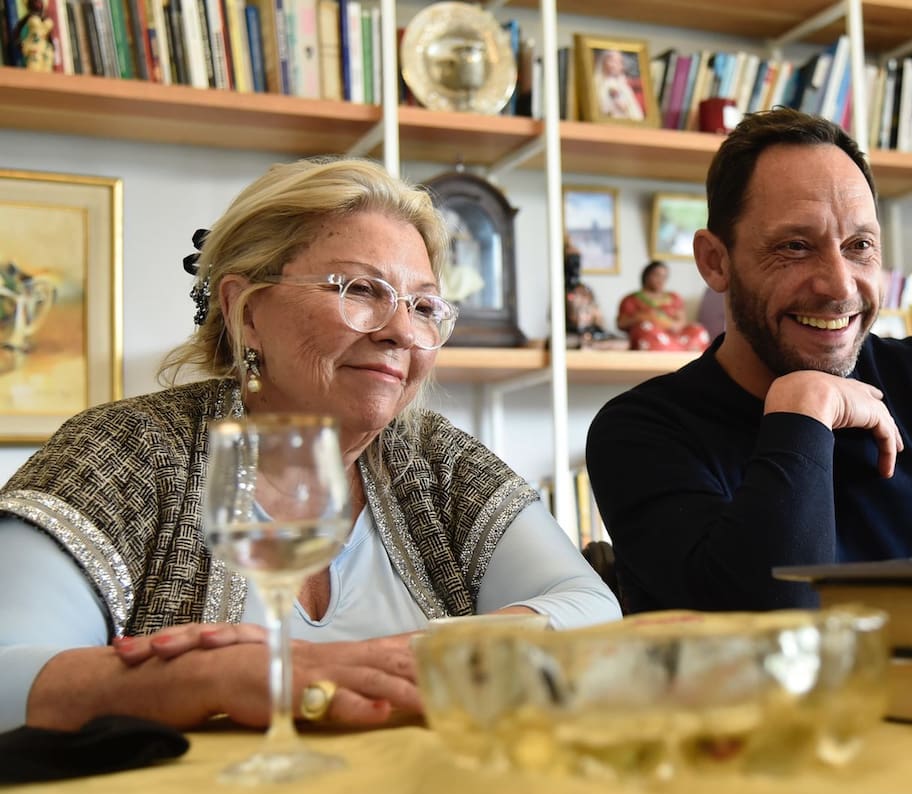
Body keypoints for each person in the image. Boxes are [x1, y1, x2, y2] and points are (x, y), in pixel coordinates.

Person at [0, 156, 621, 734]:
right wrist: (213, 678)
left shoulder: (433, 459)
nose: (402, 331)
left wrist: (413, 655)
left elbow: (588, 605)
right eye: (359, 290)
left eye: (424, 306)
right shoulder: (127, 450)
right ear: (246, 311)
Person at [586, 110, 912, 613]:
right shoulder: (641, 435)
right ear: (716, 261)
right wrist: (803, 409)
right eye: (795, 247)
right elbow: (774, 632)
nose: (840, 285)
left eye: (859, 246)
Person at [616, 261, 710, 352]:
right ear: (646, 276)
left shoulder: (674, 297)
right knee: (645, 328)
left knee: (698, 329)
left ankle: (674, 349)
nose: (661, 280)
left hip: (675, 336)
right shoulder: (631, 299)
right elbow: (621, 323)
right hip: (651, 335)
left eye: (664, 277)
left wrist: (669, 325)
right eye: (657, 275)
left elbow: (681, 322)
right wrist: (643, 317)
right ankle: (675, 350)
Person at [593, 49, 645, 121]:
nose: (614, 65)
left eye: (619, 62)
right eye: (612, 61)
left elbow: (633, 111)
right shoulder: (602, 85)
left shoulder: (623, 86)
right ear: (605, 62)